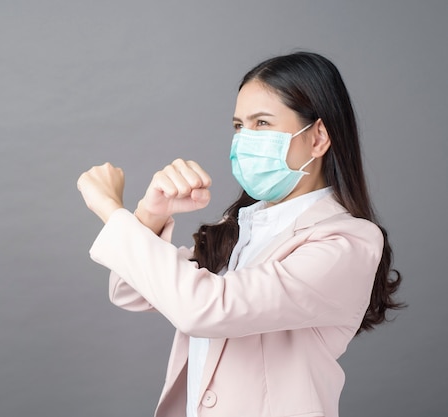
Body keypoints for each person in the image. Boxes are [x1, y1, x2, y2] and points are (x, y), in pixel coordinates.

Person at [76, 51, 403, 417]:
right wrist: (151, 213)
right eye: (238, 126)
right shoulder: (242, 227)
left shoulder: (348, 242)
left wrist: (109, 209)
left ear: (318, 137)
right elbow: (130, 290)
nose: (245, 139)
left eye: (262, 123)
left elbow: (203, 308)